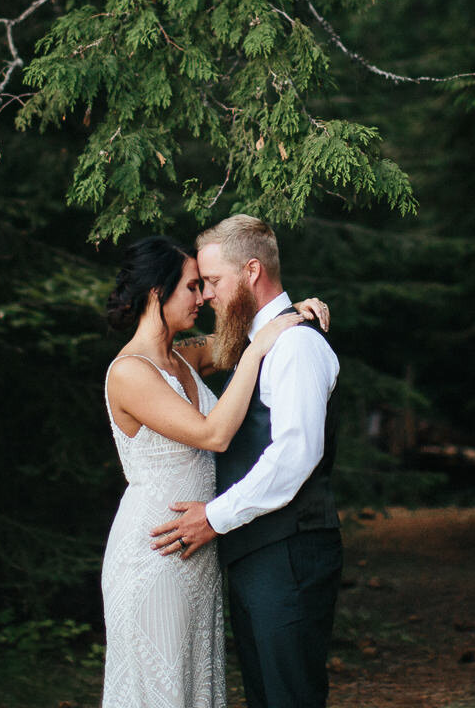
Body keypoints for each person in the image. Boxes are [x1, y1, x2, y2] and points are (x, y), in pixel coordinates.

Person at [100, 235, 328, 708]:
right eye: (191, 287)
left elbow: (245, 336)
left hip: (200, 544)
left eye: (205, 285)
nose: (202, 297)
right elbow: (213, 435)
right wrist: (257, 348)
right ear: (155, 296)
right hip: (156, 548)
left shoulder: (184, 354)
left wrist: (291, 314)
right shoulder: (129, 372)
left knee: (194, 684)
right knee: (160, 687)